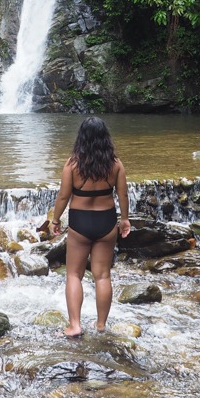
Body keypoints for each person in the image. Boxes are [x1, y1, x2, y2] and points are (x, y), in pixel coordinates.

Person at [50, 116, 131, 337]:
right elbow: (122, 194)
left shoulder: (72, 164)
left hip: (80, 221)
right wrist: (125, 219)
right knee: (102, 276)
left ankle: (75, 326)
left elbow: (63, 196)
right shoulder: (115, 164)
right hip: (106, 221)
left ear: (81, 138)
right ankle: (101, 325)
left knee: (73, 275)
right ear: (105, 137)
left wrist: (55, 220)